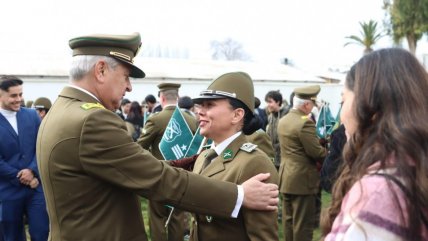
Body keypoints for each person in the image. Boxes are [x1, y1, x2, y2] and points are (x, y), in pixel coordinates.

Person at [36, 32, 278, 241]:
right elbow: (158, 180)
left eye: (210, 105)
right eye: (125, 76)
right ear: (100, 70)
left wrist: (174, 165)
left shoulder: (62, 111)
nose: (129, 87)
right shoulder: (91, 120)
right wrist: (240, 195)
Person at [322, 48, 428, 241]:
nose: (342, 113)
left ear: (370, 107)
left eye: (343, 100)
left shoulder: (379, 193)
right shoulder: (416, 171)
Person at [190, 72, 279, 241]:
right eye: (200, 106)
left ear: (237, 115)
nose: (200, 112)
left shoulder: (254, 163)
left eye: (209, 105)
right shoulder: (204, 157)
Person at [138, 83, 196, 241]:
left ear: (162, 98)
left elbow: (139, 147)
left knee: (157, 218)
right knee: (177, 216)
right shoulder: (191, 120)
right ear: (177, 98)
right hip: (182, 177)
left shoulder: (155, 120)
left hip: (159, 176)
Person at [0, 76, 49, 241]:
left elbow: (42, 146)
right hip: (7, 191)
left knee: (41, 233)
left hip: (35, 189)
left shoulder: (31, 116)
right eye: (14, 96)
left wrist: (32, 171)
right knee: (11, 237)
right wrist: (21, 177)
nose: (19, 99)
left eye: (20, 94)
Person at [277, 85, 327, 241]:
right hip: (302, 179)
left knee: (289, 221)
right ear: (306, 104)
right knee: (303, 224)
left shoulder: (284, 119)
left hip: (287, 177)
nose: (312, 108)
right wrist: (329, 153)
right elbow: (316, 153)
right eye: (312, 104)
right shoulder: (305, 122)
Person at [265, 90, 289, 170]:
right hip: (273, 158)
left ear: (278, 102)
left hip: (285, 159)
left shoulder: (287, 115)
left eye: (270, 102)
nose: (268, 105)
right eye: (267, 102)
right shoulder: (270, 117)